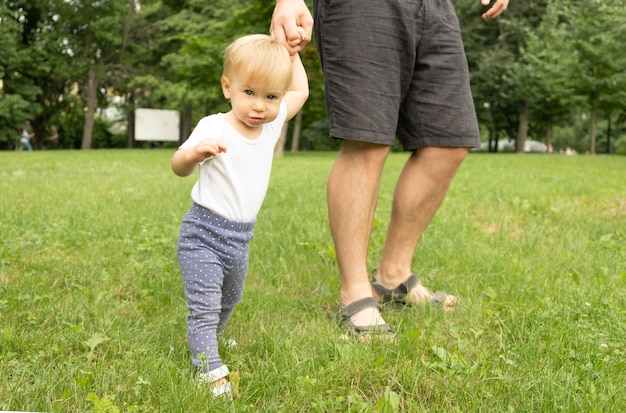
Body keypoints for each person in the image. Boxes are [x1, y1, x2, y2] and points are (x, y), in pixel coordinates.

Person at [271, 0, 509, 340]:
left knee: (449, 140)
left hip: (435, 7)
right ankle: (355, 292)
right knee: (366, 141)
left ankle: (394, 276)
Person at [171, 34, 308, 397]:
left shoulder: (272, 127)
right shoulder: (213, 126)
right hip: (202, 235)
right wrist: (195, 153)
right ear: (227, 87)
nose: (259, 106)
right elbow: (178, 166)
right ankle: (209, 369)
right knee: (205, 306)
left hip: (240, 239)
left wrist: (292, 55)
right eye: (249, 93)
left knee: (230, 300)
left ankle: (210, 341)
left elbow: (301, 92)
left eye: (271, 97)